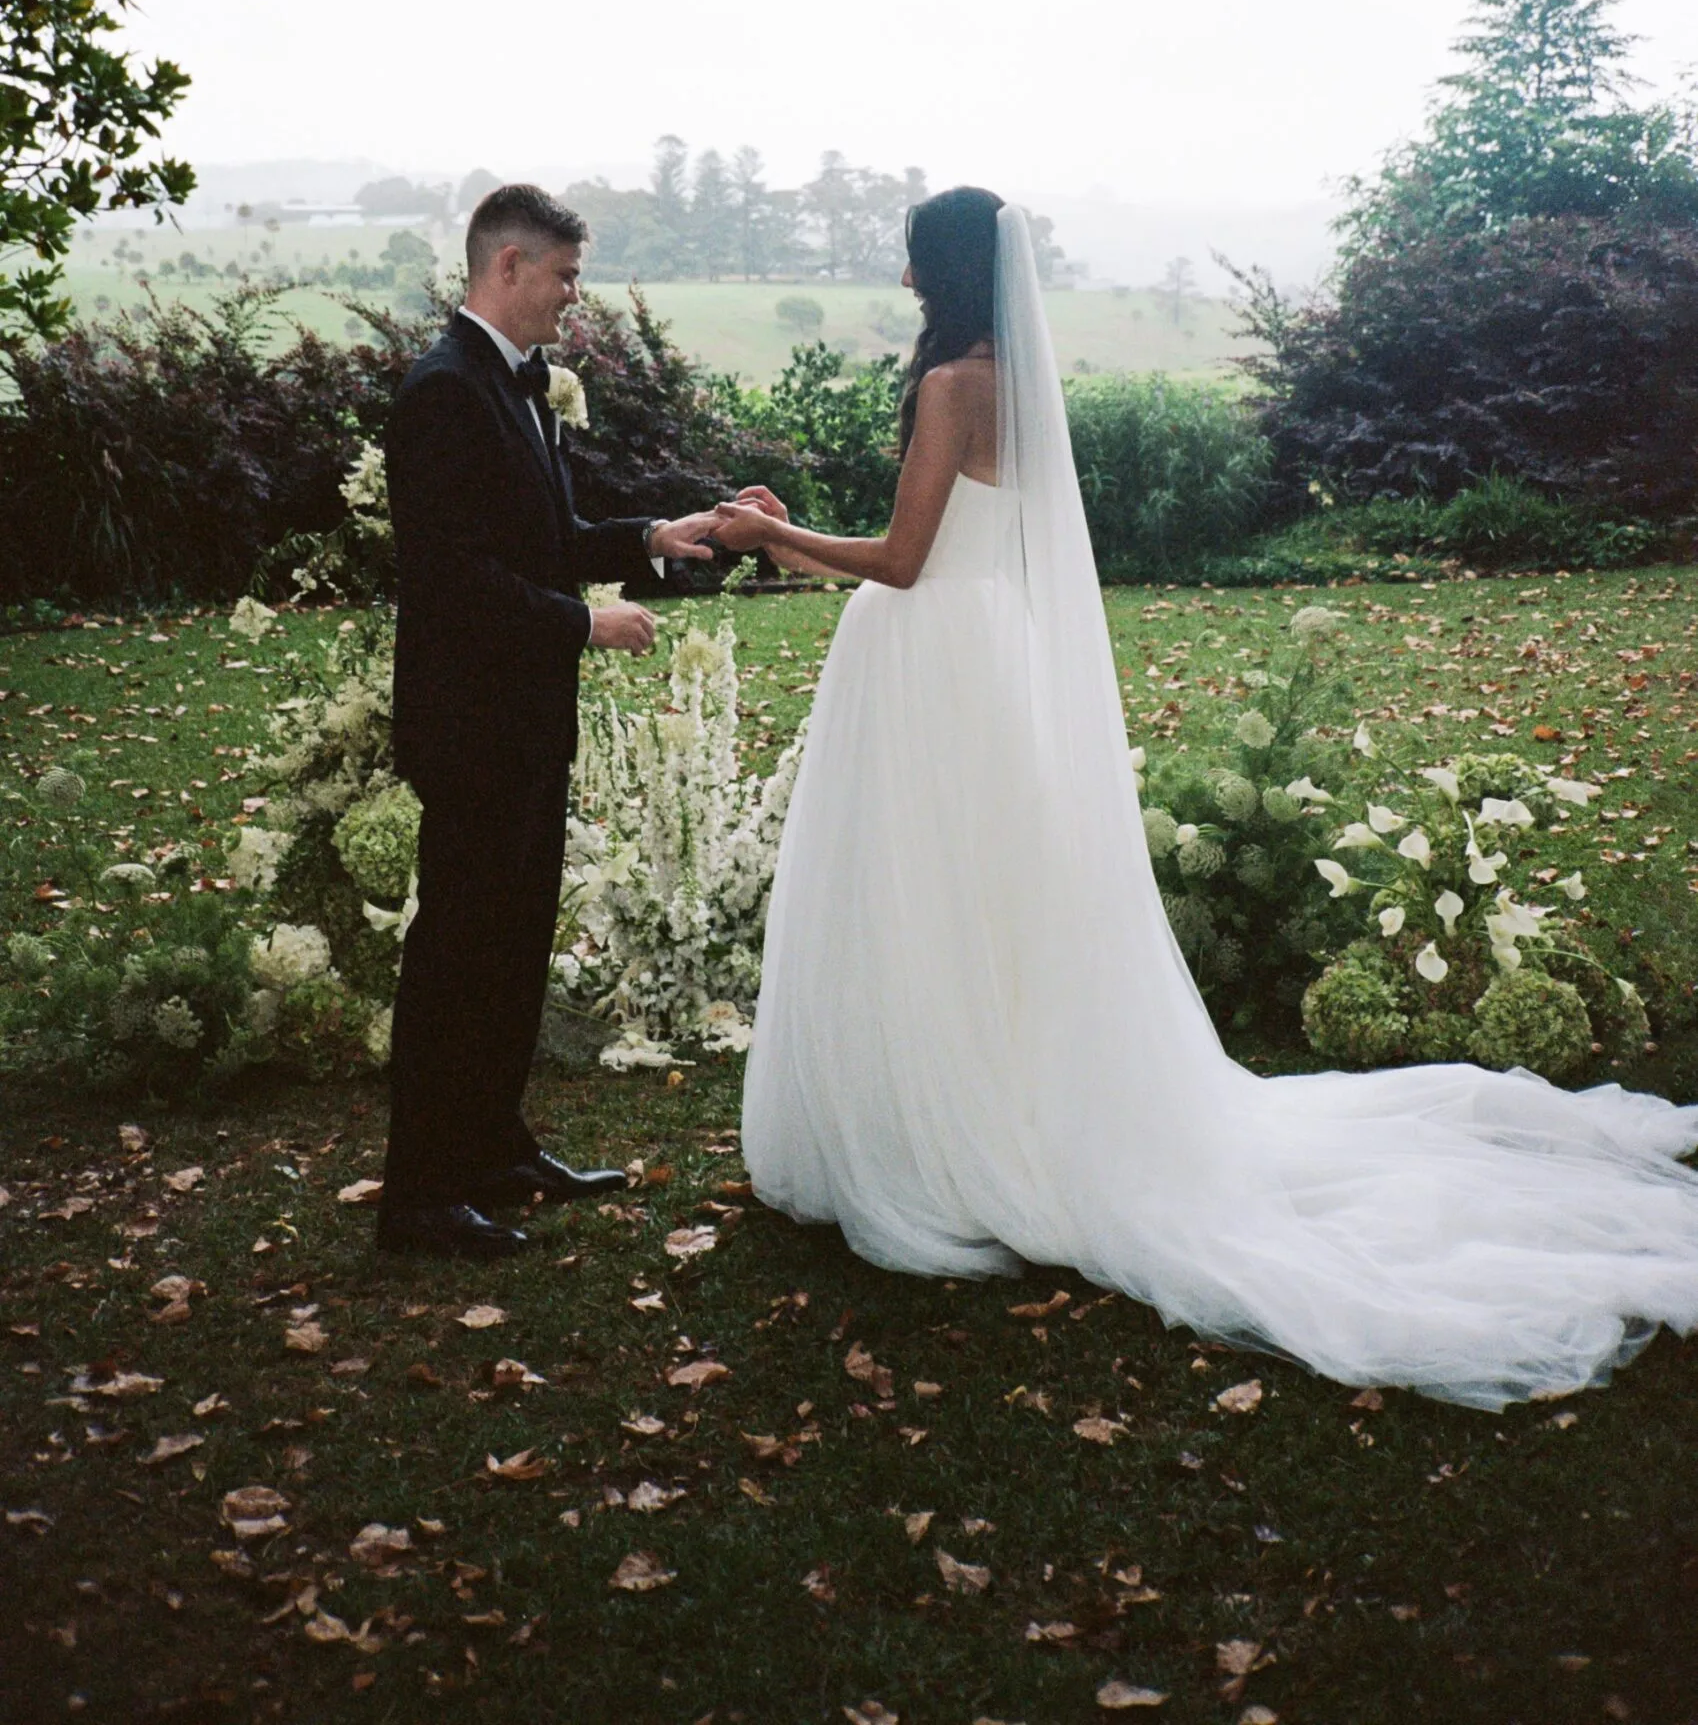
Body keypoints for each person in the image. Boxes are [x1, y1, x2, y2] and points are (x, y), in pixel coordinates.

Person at [710, 189, 1698, 1408]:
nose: (905, 277)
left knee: (918, 894)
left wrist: (762, 532)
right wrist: (786, 538)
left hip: (925, 662)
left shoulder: (950, 385)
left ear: (943, 268)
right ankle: (986, 1100)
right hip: (982, 661)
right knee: (988, 897)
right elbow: (948, 547)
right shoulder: (1014, 380)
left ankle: (936, 1134)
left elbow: (906, 562)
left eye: (914, 259)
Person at [376, 183, 725, 1259]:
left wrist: (657, 536)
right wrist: (584, 624)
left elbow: (549, 537)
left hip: (524, 720)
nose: (576, 296)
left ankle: (494, 1150)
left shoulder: (517, 385)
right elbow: (452, 579)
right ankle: (419, 1196)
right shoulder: (444, 391)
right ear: (509, 265)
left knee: (513, 945)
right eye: (566, 276)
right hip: (470, 724)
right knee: (458, 953)